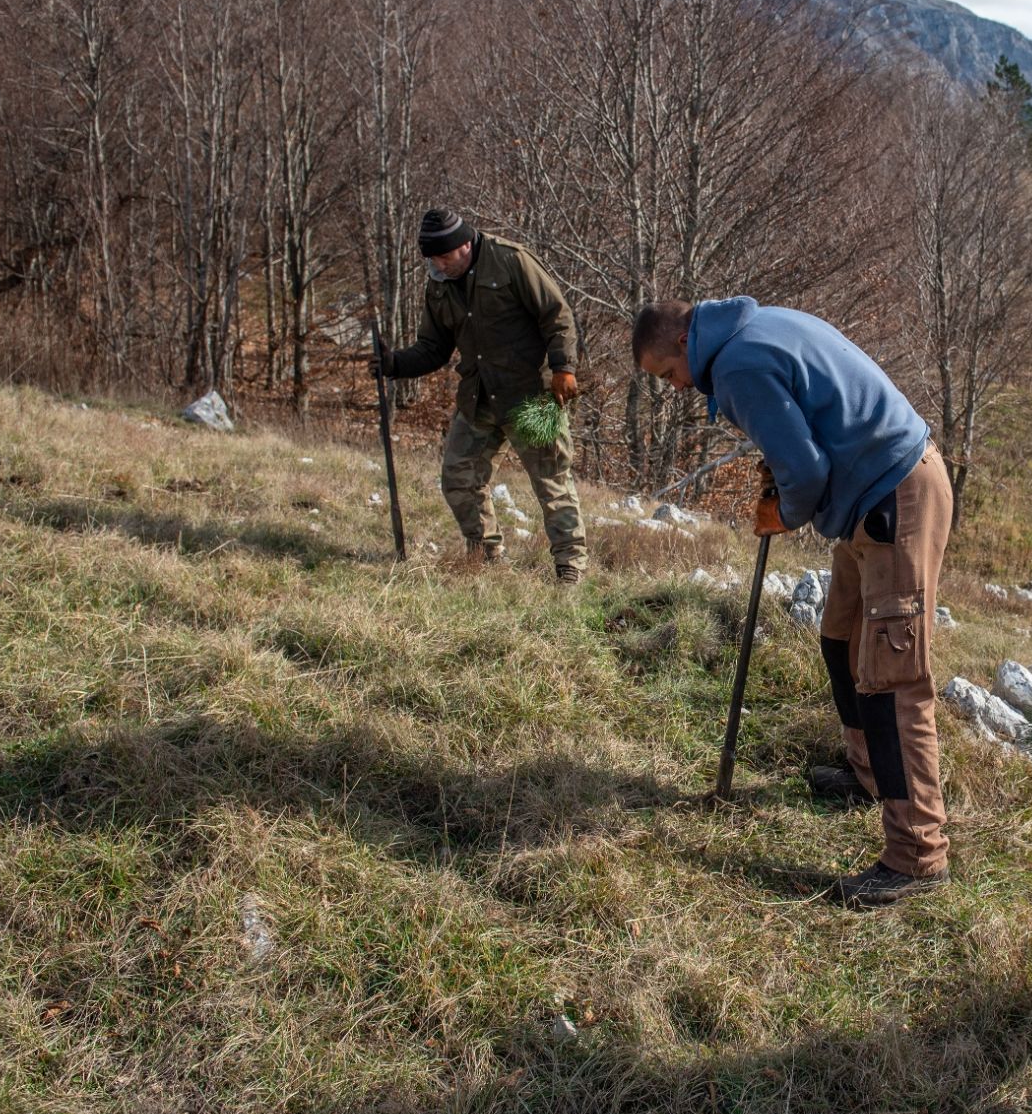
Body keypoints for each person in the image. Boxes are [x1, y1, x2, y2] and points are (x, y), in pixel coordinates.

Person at [633, 296, 952, 908]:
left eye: (666, 374)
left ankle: (917, 855)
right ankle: (868, 777)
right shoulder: (754, 327)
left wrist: (782, 506)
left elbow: (804, 472)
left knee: (893, 683)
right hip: (872, 493)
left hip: (894, 500)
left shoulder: (736, 367)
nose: (673, 388)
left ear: (681, 342)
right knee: (840, 639)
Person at [374, 208, 587, 583]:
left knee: (551, 483)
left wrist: (564, 368)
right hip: (478, 397)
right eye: (432, 259)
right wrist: (393, 363)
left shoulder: (510, 260)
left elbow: (557, 314)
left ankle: (570, 570)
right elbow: (433, 348)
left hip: (530, 401)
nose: (439, 265)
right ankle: (486, 558)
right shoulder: (438, 284)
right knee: (458, 477)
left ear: (465, 244)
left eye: (444, 257)